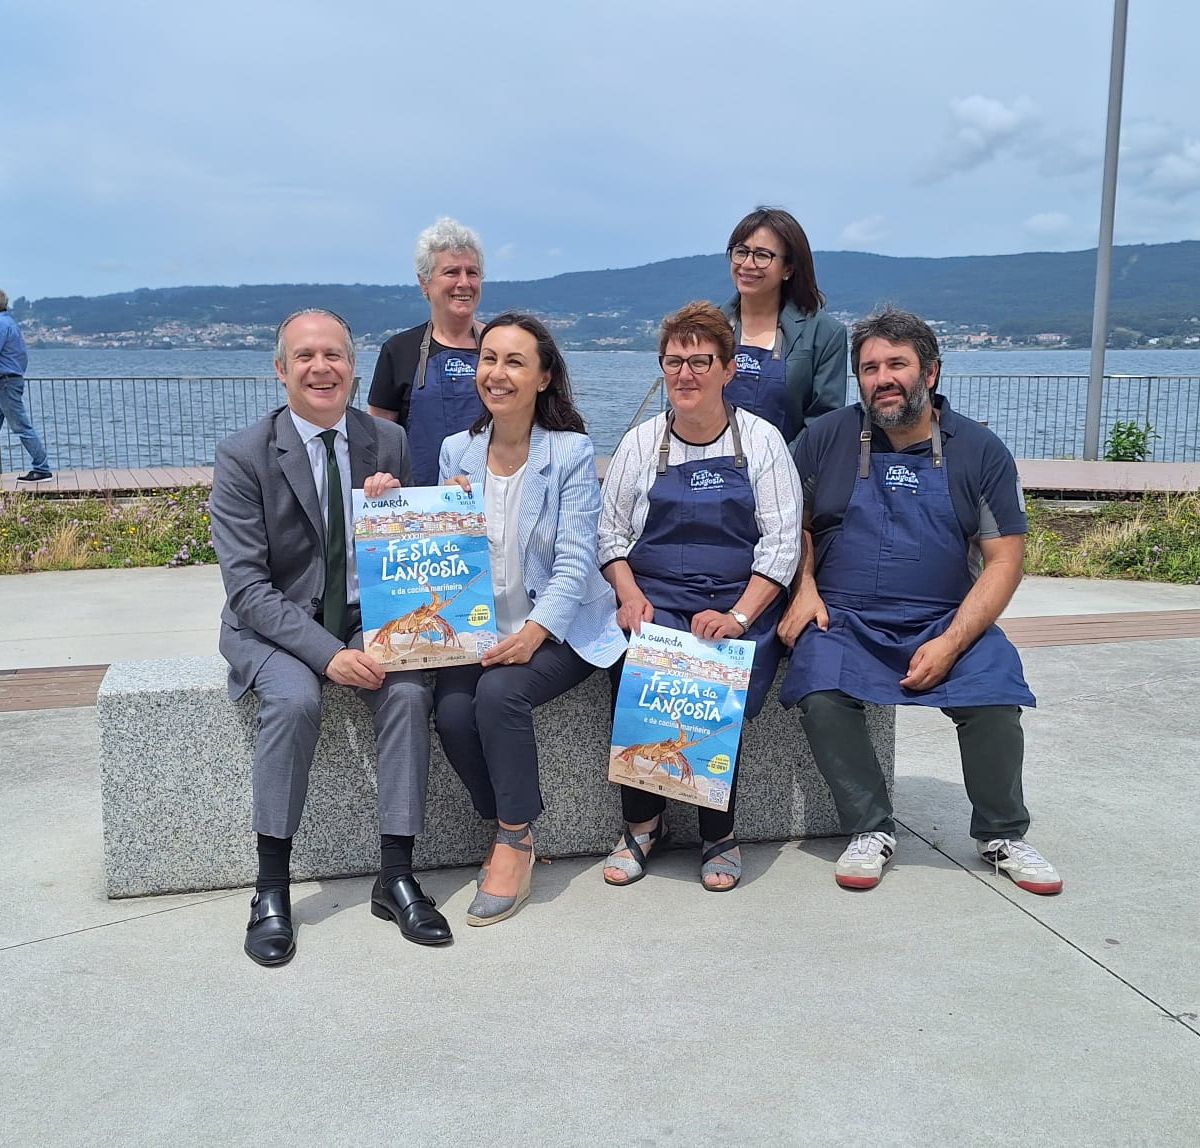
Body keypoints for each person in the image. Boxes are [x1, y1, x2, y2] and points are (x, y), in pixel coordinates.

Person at [778, 307, 1062, 895]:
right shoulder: (825, 438)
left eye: (896, 364)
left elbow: (1005, 558)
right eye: (869, 367)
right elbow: (792, 525)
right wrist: (804, 589)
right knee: (820, 688)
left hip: (944, 616)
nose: (882, 378)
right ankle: (869, 827)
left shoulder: (980, 450)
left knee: (994, 694)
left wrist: (954, 641)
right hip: (846, 616)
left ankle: (1002, 832)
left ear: (930, 372)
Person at [210, 308, 452, 968]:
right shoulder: (243, 455)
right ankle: (270, 890)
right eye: (306, 356)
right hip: (276, 627)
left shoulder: (389, 443)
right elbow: (248, 589)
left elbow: (414, 555)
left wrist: (396, 509)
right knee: (294, 702)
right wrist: (329, 655)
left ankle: (395, 875)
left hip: (365, 619)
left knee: (407, 694)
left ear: (352, 364)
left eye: (335, 355)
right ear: (282, 370)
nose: (322, 368)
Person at [420, 312, 625, 926]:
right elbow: (442, 552)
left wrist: (533, 635)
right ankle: (502, 817)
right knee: (452, 711)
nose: (497, 373)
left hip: (558, 626)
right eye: (488, 359)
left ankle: (515, 839)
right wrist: (425, 507)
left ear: (543, 378)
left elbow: (575, 561)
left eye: (514, 362)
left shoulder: (569, 452)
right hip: (482, 624)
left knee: (498, 696)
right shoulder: (456, 451)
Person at [598, 301, 802, 891]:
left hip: (738, 601)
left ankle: (719, 832)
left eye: (700, 361)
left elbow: (782, 544)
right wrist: (630, 595)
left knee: (716, 677)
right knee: (640, 668)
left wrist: (738, 616)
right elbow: (610, 535)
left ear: (728, 369)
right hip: (656, 596)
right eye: (674, 362)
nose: (685, 374)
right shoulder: (640, 444)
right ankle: (641, 826)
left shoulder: (761, 443)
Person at [367, 217, 487, 485]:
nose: (464, 282)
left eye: (473, 272)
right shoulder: (398, 350)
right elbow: (377, 438)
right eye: (452, 272)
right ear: (424, 283)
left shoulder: (499, 346)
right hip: (420, 503)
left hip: (492, 499)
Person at [719, 206, 847, 446]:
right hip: (712, 471)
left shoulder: (824, 334)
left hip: (788, 473)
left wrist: (777, 471)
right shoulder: (710, 326)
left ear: (788, 268)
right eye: (741, 251)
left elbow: (822, 424)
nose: (747, 264)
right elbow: (684, 403)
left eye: (762, 255)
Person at [0, 290, 52, 482]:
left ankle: (42, 467)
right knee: (20, 425)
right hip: (9, 380)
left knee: (21, 426)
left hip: (5, 382)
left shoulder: (1, 324)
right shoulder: (9, 322)